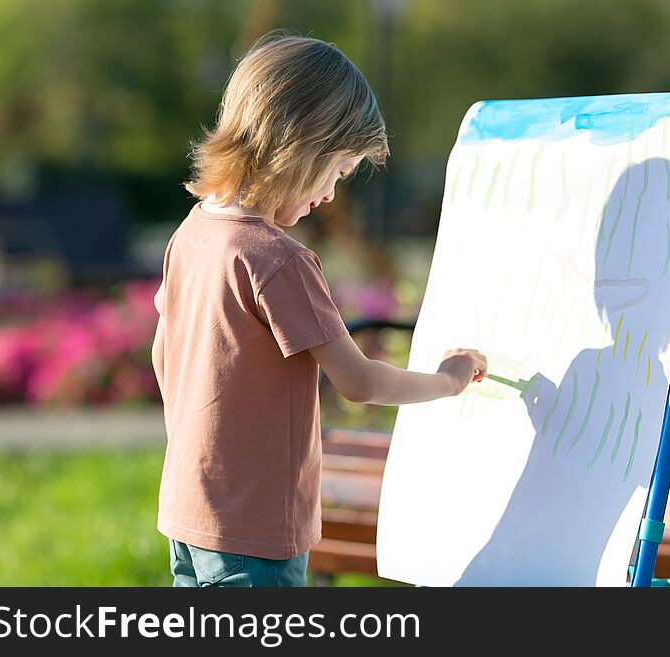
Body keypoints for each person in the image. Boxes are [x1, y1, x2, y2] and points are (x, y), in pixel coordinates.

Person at [150, 32, 487, 587]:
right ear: (302, 148)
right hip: (256, 534)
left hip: (189, 514)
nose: (331, 194)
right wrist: (448, 380)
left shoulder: (192, 233)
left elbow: (164, 354)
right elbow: (357, 382)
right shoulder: (279, 259)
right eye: (338, 170)